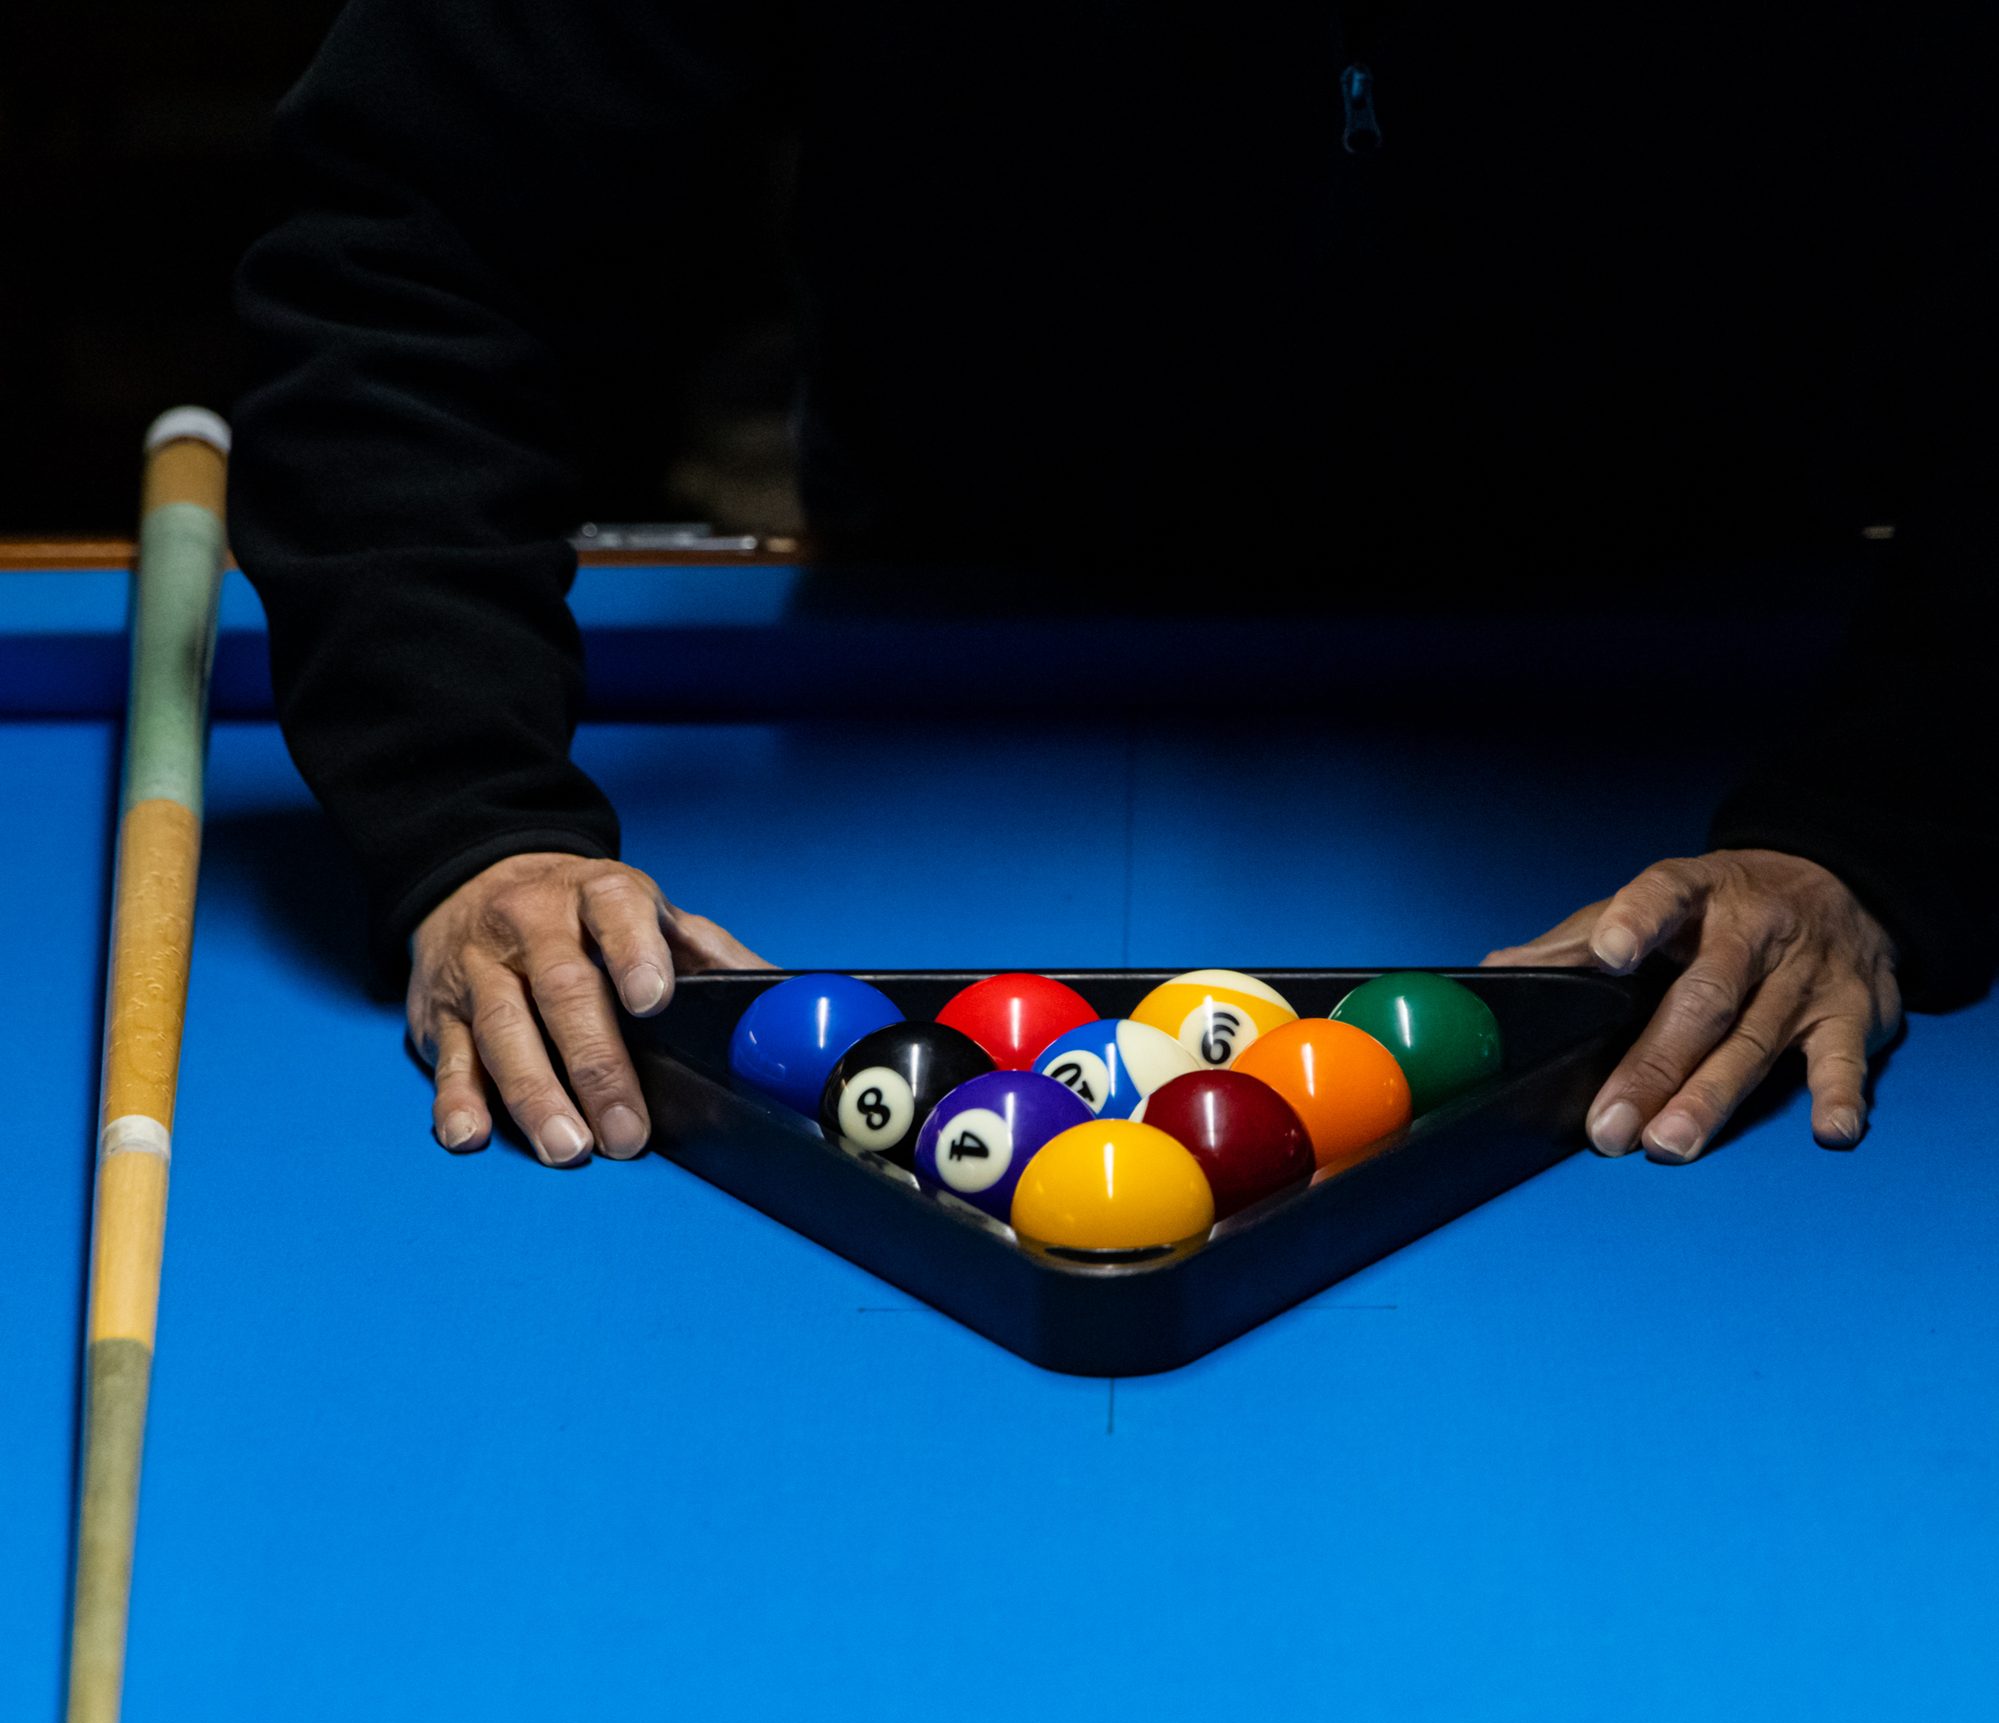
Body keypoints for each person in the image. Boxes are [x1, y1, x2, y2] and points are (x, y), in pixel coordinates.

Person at [230, 0, 1995, 1171]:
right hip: (975, 568)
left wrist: (1877, 831)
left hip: (1699, 604)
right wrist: (472, 819)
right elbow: (412, 235)